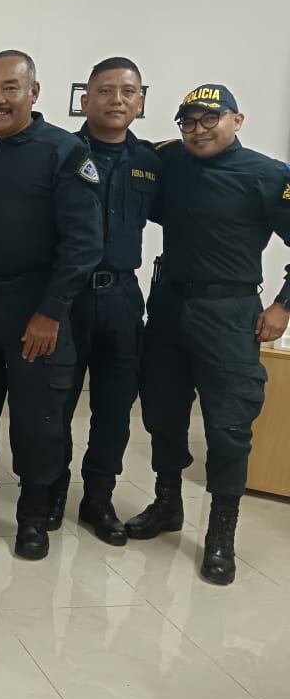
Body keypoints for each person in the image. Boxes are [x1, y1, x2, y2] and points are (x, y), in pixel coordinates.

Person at [0, 50, 103, 560]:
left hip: (36, 310)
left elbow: (84, 243)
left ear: (34, 92)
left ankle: (32, 517)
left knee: (38, 420)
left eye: (9, 88)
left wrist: (51, 311)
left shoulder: (66, 152)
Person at [128, 83, 290, 584]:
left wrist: (284, 306)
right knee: (162, 411)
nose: (198, 130)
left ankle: (221, 534)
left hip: (228, 310)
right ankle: (167, 503)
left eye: (209, 120)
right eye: (188, 122)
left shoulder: (270, 175)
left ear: (237, 121)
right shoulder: (169, 161)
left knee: (228, 427)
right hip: (170, 304)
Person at [45, 57, 162, 546]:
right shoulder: (61, 153)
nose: (117, 100)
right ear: (85, 99)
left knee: (114, 408)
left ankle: (98, 499)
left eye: (128, 92)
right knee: (56, 403)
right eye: (106, 91)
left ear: (140, 101)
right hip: (67, 296)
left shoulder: (152, 162)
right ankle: (49, 492)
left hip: (121, 297)